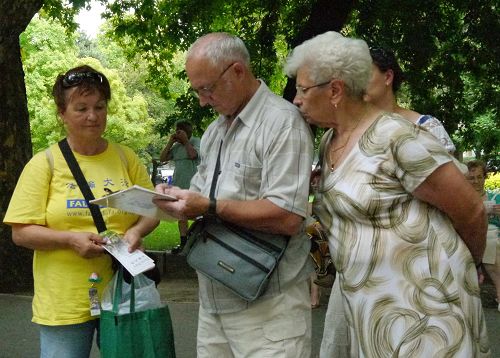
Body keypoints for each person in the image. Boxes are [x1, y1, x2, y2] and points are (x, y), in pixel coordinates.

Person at [284, 31, 490, 356]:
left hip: (427, 312)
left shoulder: (396, 137)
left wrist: (469, 265)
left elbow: (471, 211)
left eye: (303, 89)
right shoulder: (329, 143)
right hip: (373, 309)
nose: (296, 99)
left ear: (335, 90)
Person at [153, 32, 314, 357]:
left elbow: (287, 217)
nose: (201, 100)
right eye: (197, 90)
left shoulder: (284, 124)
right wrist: (174, 200)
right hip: (213, 299)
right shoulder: (214, 132)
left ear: (238, 71)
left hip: (269, 307)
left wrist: (209, 206)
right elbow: (198, 196)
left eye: (207, 88)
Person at [3, 65, 159, 357]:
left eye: (100, 107)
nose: (93, 116)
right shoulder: (44, 164)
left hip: (124, 292)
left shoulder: (126, 158)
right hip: (65, 301)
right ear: (62, 113)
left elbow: (152, 209)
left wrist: (136, 231)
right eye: (81, 108)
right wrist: (70, 240)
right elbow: (21, 232)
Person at [364, 46, 456, 154]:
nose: (357, 83)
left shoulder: (427, 127)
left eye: (365, 75)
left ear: (388, 77)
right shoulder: (350, 132)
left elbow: (450, 169)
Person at [159, 120, 200, 254]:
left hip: (195, 187)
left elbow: (193, 155)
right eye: (178, 131)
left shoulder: (196, 142)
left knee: (197, 215)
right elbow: (162, 158)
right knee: (181, 216)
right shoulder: (176, 147)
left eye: (182, 131)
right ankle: (184, 243)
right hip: (179, 186)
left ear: (189, 131)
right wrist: (171, 142)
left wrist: (186, 142)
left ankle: (197, 243)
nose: (179, 134)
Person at [466, 159, 500, 312]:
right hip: (476, 235)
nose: (476, 181)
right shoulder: (463, 199)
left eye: (480, 177)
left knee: (493, 243)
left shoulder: (495, 197)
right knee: (491, 244)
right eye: (472, 178)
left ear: (485, 177)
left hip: (495, 234)